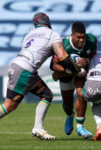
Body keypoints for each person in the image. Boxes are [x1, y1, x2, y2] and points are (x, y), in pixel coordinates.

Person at [0, 12, 84, 140]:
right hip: (25, 70)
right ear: (48, 22)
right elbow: (62, 56)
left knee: (46, 94)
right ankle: (38, 127)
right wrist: (77, 70)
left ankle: (38, 128)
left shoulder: (28, 35)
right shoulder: (52, 34)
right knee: (9, 105)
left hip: (18, 66)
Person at [50, 21, 97, 139]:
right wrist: (71, 70)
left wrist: (86, 61)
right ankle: (70, 116)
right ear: (72, 35)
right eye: (78, 37)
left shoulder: (91, 40)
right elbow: (53, 65)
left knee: (82, 94)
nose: (81, 40)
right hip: (66, 73)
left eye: (83, 37)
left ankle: (80, 127)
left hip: (81, 73)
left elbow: (93, 54)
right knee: (67, 105)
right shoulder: (63, 44)